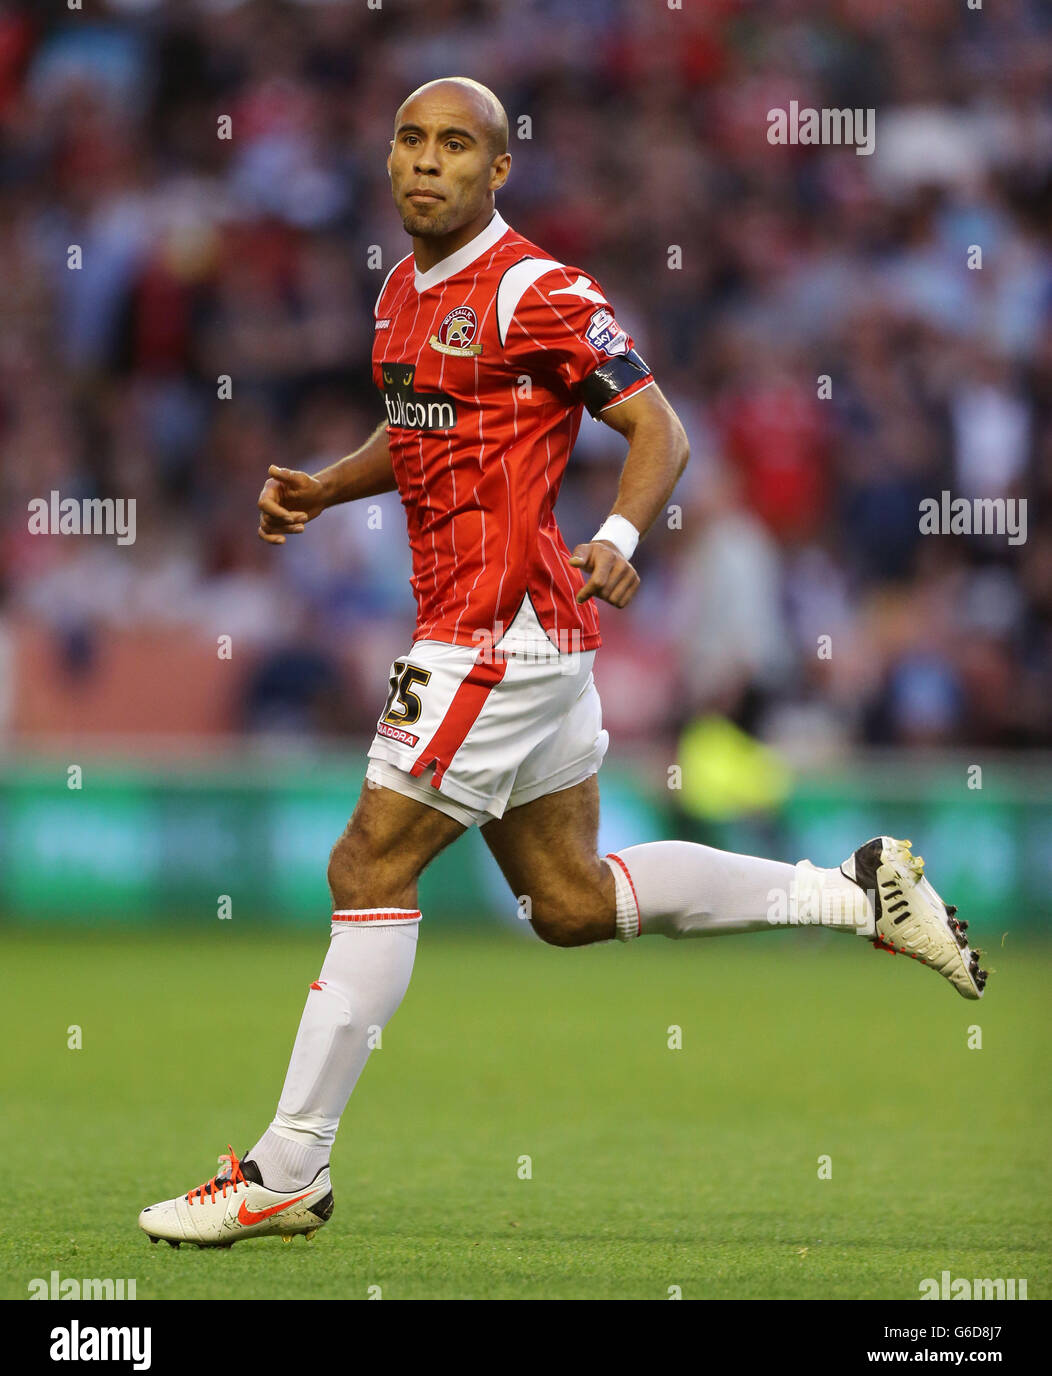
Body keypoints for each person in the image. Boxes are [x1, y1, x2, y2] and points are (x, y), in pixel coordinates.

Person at [139, 78, 985, 1249]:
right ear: (387, 160)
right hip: (514, 634)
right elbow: (424, 418)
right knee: (568, 901)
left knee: (365, 861)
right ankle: (858, 895)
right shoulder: (399, 291)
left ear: (498, 172)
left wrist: (618, 537)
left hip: (497, 630)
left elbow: (659, 429)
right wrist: (331, 485)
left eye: (456, 146)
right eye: (409, 140)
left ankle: (287, 1166)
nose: (426, 162)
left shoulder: (537, 289)